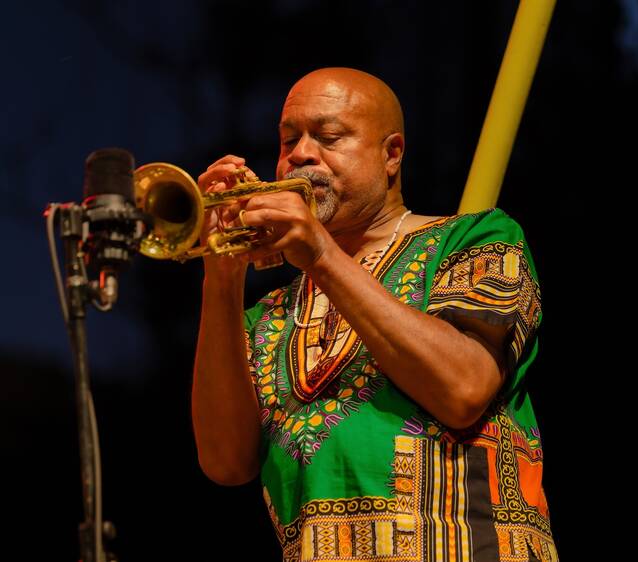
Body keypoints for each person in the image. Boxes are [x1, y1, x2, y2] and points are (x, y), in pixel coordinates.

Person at [192, 67, 558, 562]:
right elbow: (225, 463)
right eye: (287, 140)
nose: (299, 153)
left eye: (328, 136)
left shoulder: (476, 239)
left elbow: (464, 388)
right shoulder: (270, 314)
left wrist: (321, 255)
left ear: (391, 155)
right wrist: (222, 274)